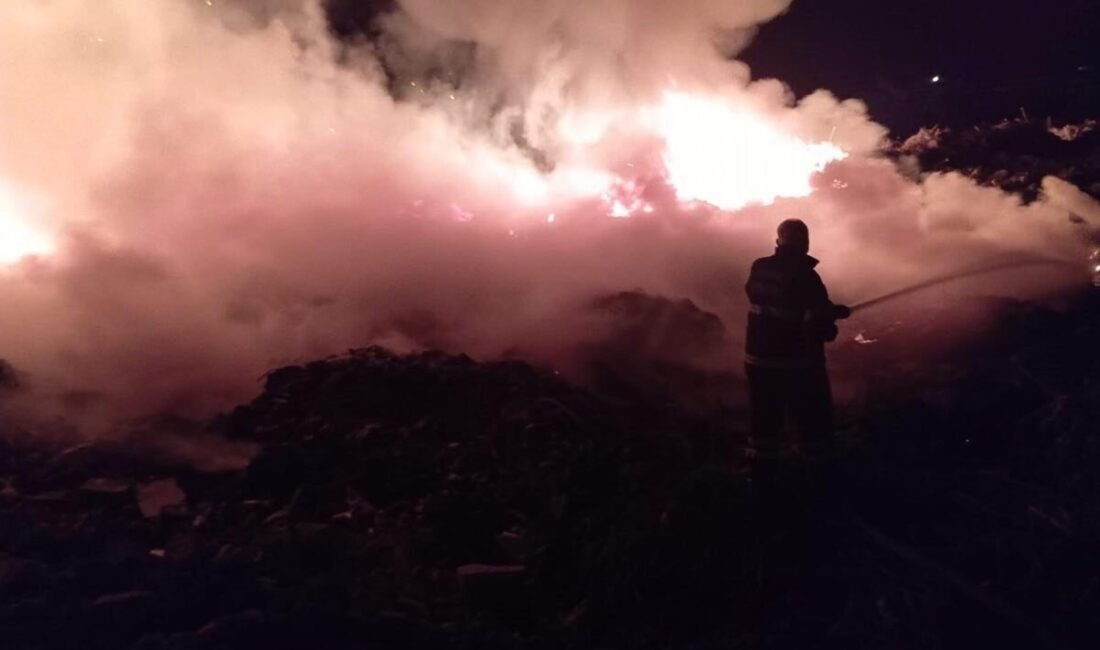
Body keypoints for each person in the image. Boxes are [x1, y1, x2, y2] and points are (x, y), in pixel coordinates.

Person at [744, 219, 850, 479]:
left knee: (765, 423)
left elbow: (777, 305)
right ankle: (817, 481)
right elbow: (818, 325)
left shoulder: (760, 268)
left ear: (779, 241)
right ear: (805, 243)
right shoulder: (806, 276)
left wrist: (828, 311)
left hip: (758, 362)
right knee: (813, 425)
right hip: (797, 366)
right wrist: (831, 318)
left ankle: (761, 480)